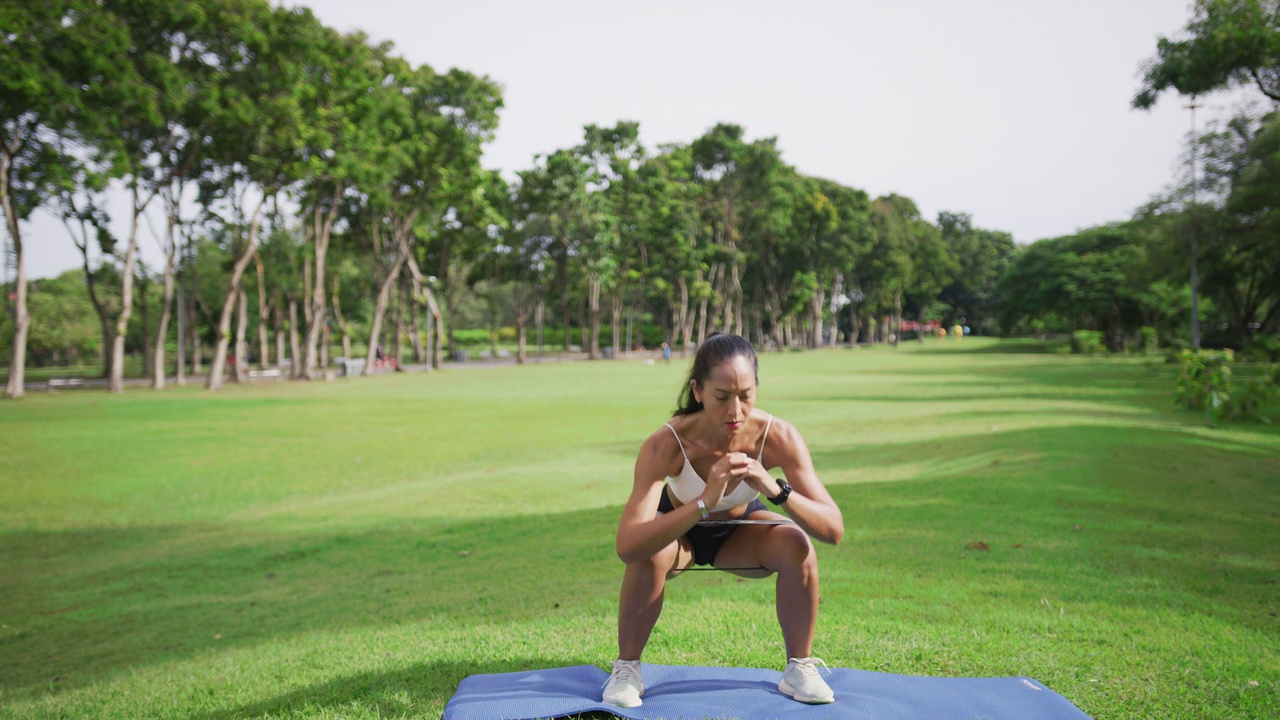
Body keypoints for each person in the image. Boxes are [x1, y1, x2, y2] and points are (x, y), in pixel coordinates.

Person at [604, 333, 845, 708]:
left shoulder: (777, 436)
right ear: (698, 391)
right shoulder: (667, 443)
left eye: (746, 395)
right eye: (722, 397)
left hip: (740, 536)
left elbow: (833, 529)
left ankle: (800, 667)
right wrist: (703, 502)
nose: (736, 411)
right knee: (650, 553)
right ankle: (627, 669)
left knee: (798, 544)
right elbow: (627, 545)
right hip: (679, 532)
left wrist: (773, 488)